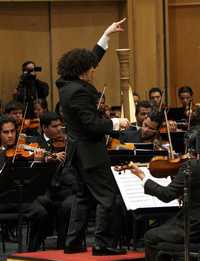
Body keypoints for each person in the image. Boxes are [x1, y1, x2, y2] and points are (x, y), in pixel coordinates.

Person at [56, 18, 130, 256]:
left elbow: (89, 59)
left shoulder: (67, 83)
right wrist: (117, 122)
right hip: (90, 152)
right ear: (83, 71)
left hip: (76, 153)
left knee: (83, 197)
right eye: (91, 68)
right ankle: (102, 244)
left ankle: (73, 243)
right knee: (107, 196)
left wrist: (105, 36)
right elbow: (91, 125)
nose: (94, 69)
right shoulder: (78, 92)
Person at [127, 126, 200, 261]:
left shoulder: (192, 166)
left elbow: (167, 195)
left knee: (150, 236)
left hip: (192, 229)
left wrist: (143, 177)